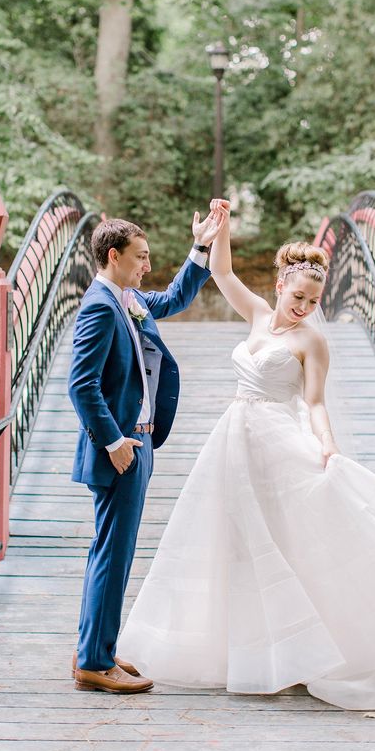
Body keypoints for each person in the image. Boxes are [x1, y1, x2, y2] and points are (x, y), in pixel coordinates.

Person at [117, 201, 375, 709]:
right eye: (297, 297)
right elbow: (222, 271)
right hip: (233, 440)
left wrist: (328, 444)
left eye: (312, 301)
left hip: (277, 440)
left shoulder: (312, 342)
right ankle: (248, 651)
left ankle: (305, 652)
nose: (303, 307)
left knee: (285, 542)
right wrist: (217, 231)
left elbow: (314, 402)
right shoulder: (256, 312)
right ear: (279, 288)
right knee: (230, 542)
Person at [67, 208, 227, 694]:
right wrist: (114, 442)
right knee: (113, 553)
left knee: (113, 550)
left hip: (139, 441)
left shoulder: (127, 298)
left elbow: (176, 296)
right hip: (120, 448)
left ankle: (98, 647)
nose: (147, 266)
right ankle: (94, 662)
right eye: (141, 257)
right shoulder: (99, 306)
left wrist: (200, 245)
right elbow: (82, 384)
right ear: (113, 256)